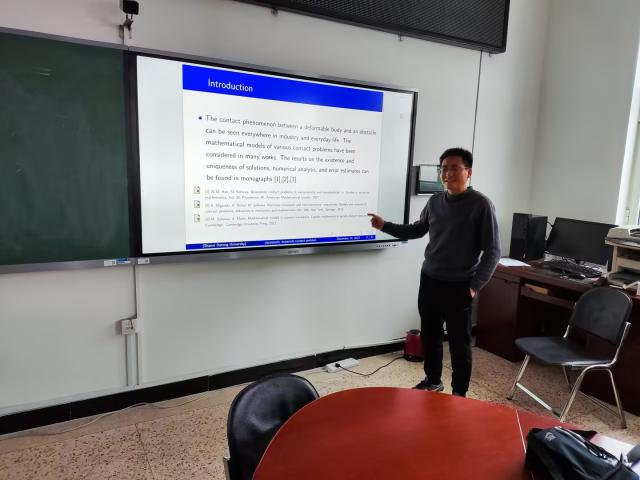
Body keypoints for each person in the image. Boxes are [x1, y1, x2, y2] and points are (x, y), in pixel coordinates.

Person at [368, 147, 500, 397]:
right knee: (430, 336)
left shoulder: (481, 205)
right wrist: (385, 226)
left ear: (468, 172)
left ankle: (459, 393)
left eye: (454, 168)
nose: (448, 173)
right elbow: (417, 230)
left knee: (459, 344)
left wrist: (474, 286)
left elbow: (493, 251)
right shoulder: (435, 201)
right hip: (430, 280)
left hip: (460, 285)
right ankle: (433, 380)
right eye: (444, 169)